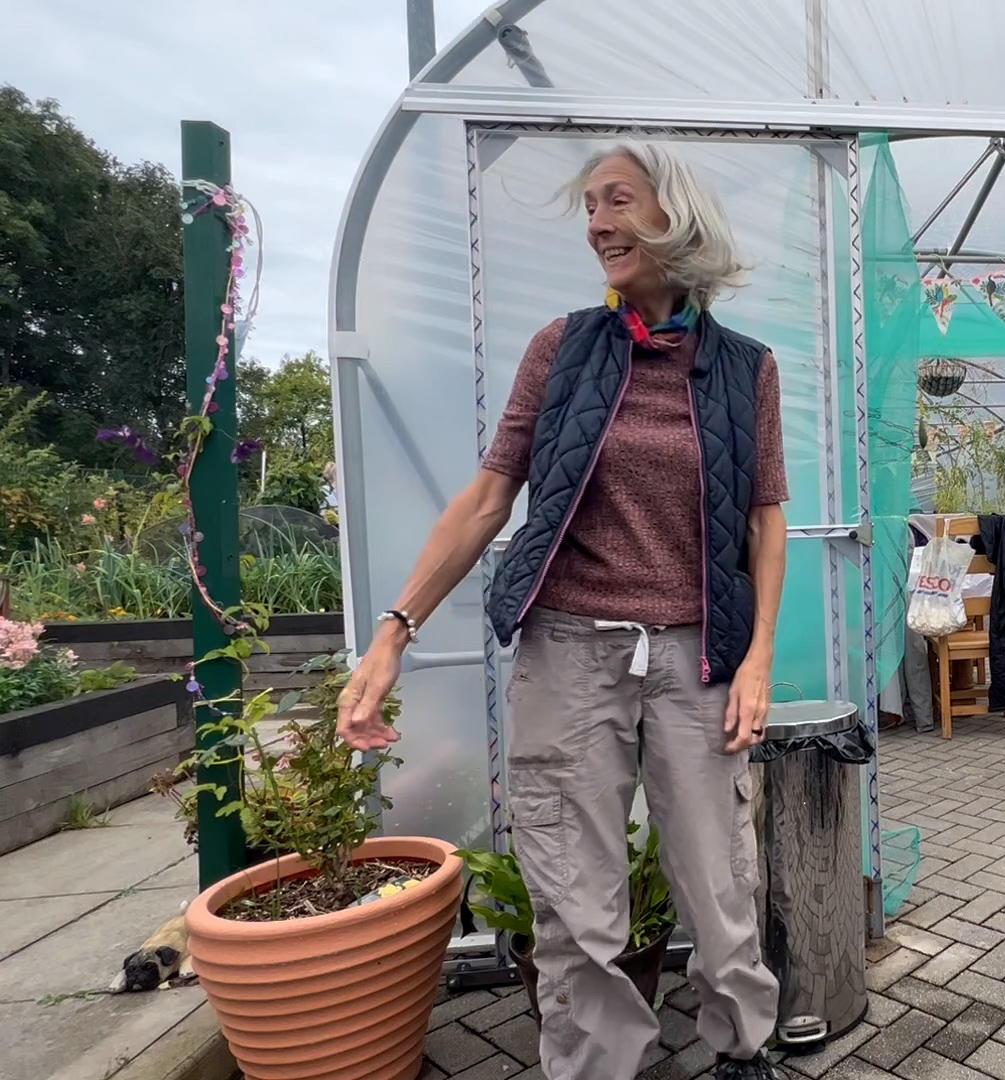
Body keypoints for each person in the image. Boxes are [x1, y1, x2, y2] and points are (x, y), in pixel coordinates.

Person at [336, 143, 787, 1080]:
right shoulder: (564, 348)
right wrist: (393, 632)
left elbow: (763, 522)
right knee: (575, 902)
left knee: (719, 883)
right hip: (570, 653)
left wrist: (757, 662)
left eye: (617, 200)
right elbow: (487, 500)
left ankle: (743, 1051)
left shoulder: (748, 369)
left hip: (700, 655)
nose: (596, 222)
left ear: (678, 215)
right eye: (589, 206)